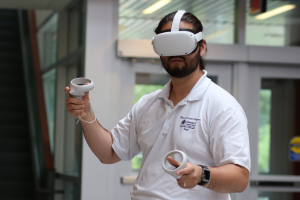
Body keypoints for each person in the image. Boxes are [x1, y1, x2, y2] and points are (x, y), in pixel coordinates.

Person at [65, 11, 250, 200]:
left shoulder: (222, 106)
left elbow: (240, 178)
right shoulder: (148, 104)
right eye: (167, 44)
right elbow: (109, 153)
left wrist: (202, 174)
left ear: (201, 47)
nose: (175, 52)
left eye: (183, 43)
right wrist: (86, 114)